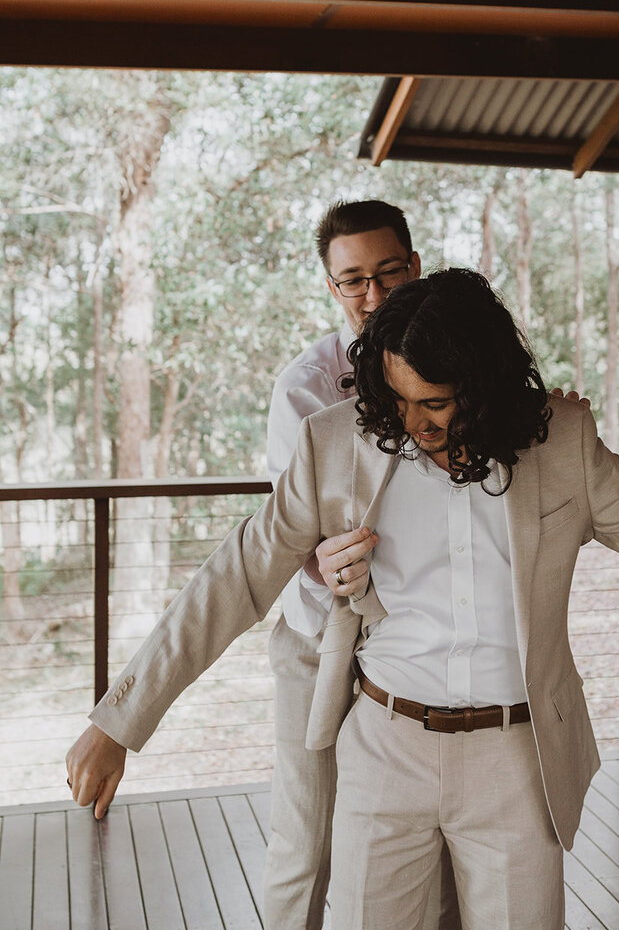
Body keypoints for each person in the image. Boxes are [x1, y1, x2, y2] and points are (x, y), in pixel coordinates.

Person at [67, 268, 619, 929]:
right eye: (400, 399)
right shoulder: (334, 444)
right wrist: (120, 719)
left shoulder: (564, 444)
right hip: (384, 746)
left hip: (517, 760)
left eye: (437, 404)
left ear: (486, 385)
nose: (414, 424)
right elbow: (235, 576)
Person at [262, 198, 458, 930]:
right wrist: (326, 561)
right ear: (331, 287)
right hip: (319, 645)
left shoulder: (461, 367)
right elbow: (294, 536)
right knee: (306, 844)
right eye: (352, 281)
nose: (372, 296)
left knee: (423, 844)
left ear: (415, 266)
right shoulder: (304, 389)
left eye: (386, 272)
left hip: (412, 653)